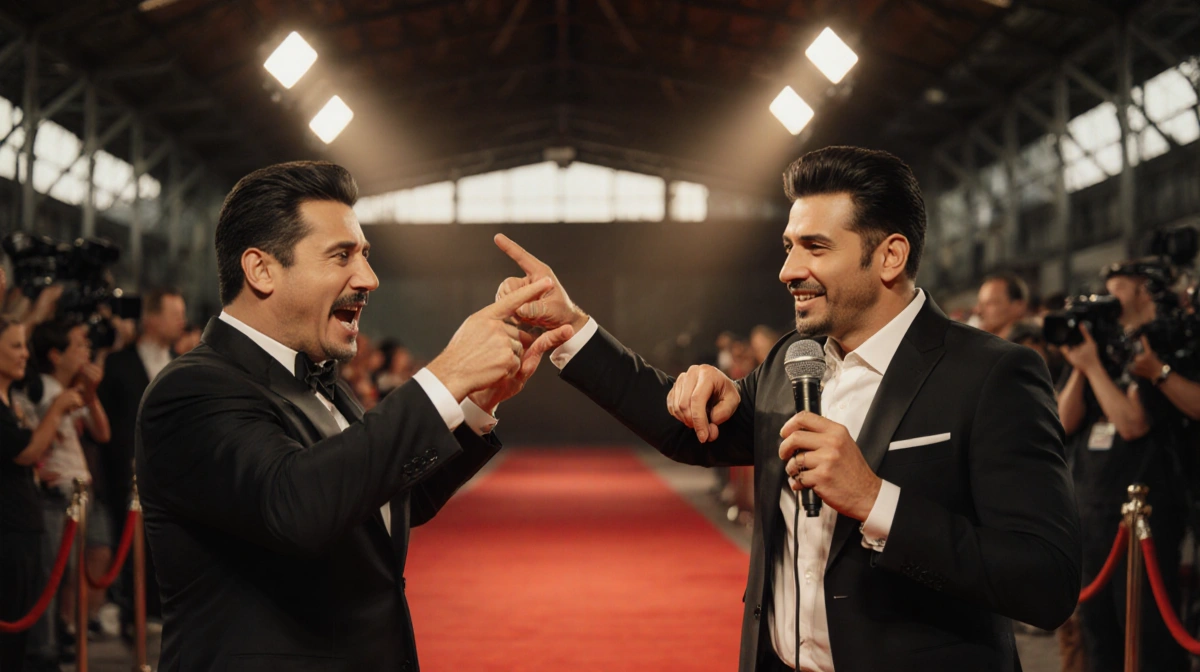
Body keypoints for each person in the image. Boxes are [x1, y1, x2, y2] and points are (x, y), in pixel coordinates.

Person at [494, 146, 1081, 671]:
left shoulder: (992, 374)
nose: (787, 270)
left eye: (815, 247)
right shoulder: (790, 360)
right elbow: (685, 434)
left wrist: (876, 500)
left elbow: (1045, 582)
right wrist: (572, 327)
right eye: (788, 246)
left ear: (890, 256)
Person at [135, 161, 573, 672]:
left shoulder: (326, 384)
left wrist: (477, 401)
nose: (368, 278)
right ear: (261, 270)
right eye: (341, 255)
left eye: (365, 255)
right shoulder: (191, 389)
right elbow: (295, 507)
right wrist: (443, 377)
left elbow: (380, 500)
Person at [1058, 261, 1193, 672]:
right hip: (1092, 513)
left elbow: (1132, 423)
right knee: (1100, 638)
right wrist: (1083, 366)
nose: (1107, 301)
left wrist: (1095, 367)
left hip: (1144, 518)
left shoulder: (1158, 347)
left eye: (1115, 291)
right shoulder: (1097, 348)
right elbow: (1063, 420)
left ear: (1141, 292)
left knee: (1148, 639)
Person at [96, 287, 187, 635]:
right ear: (150, 318)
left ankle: (162, 609)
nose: (181, 320)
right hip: (126, 474)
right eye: (174, 313)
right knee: (130, 543)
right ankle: (133, 612)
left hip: (176, 476)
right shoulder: (119, 364)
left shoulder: (182, 363)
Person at [0, 316, 85, 669]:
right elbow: (27, 451)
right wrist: (56, 409)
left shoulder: (12, 401)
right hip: (8, 532)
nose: (25, 355)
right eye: (16, 346)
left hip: (22, 525)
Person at [974, 272, 1029, 340]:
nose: (978, 311)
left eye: (990, 303)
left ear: (1018, 306)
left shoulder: (1030, 345)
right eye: (980, 304)